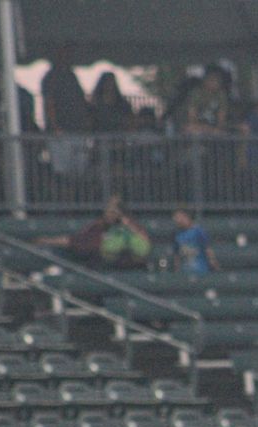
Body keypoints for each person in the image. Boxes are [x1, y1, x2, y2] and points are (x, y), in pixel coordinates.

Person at [37, 196, 151, 270]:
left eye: (114, 210)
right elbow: (75, 240)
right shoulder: (98, 226)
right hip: (96, 263)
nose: (109, 213)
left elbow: (144, 244)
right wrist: (48, 240)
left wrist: (127, 226)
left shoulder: (130, 227)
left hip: (124, 266)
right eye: (108, 210)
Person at [41, 45, 91, 176]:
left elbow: (81, 100)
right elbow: (49, 103)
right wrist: (55, 126)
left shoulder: (72, 76)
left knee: (79, 169)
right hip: (60, 133)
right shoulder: (51, 77)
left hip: (77, 130)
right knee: (62, 170)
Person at [171, 207, 220, 274]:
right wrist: (177, 270)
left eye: (179, 217)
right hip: (185, 272)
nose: (177, 220)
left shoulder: (198, 231)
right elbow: (177, 255)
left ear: (186, 217)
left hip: (201, 271)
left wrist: (214, 265)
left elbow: (208, 250)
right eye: (176, 218)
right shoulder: (177, 235)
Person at [184, 65, 229, 135]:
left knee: (221, 133)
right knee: (190, 130)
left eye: (217, 80)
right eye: (212, 80)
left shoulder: (221, 95)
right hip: (197, 125)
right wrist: (202, 127)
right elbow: (192, 114)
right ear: (205, 80)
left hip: (214, 126)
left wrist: (218, 127)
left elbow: (221, 115)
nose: (215, 83)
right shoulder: (196, 93)